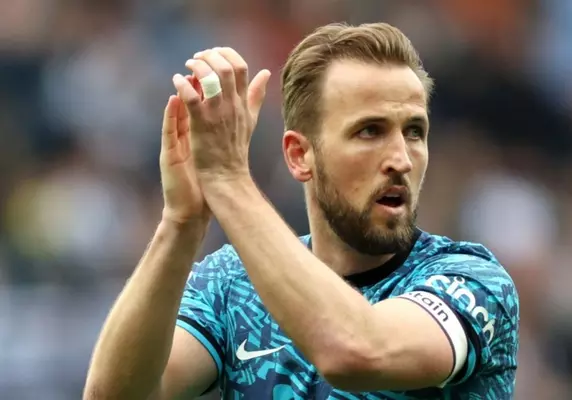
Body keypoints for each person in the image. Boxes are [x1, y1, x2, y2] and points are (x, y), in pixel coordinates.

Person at [84, 22, 519, 399]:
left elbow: (357, 351)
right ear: (299, 156)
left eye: (414, 132)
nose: (401, 159)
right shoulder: (231, 285)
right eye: (370, 131)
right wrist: (181, 223)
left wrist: (229, 179)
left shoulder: (472, 281)